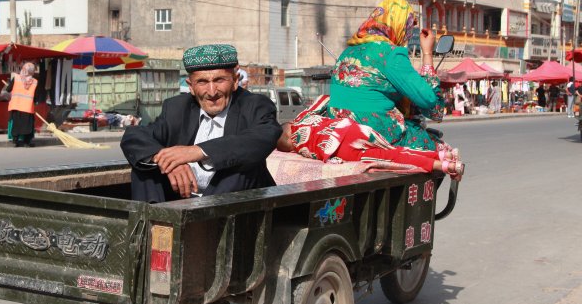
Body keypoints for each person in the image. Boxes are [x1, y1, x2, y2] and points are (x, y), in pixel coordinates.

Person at [121, 44, 281, 202]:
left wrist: (198, 151)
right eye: (202, 82)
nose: (212, 92)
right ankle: (156, 223)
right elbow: (135, 136)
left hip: (235, 207)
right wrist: (167, 160)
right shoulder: (176, 108)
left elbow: (263, 137)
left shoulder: (255, 105)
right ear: (190, 86)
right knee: (144, 165)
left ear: (235, 81)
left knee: (241, 166)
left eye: (219, 80)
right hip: (183, 199)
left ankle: (205, 226)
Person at [328, 0, 451, 154]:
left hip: (339, 129)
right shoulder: (390, 54)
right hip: (372, 131)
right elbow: (431, 104)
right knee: (440, 148)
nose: (408, 35)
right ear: (399, 26)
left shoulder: (348, 51)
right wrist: (427, 52)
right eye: (408, 29)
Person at [276, 95, 464, 180]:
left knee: (392, 158)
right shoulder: (302, 118)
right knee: (392, 148)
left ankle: (445, 165)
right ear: (290, 126)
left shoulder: (300, 148)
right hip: (350, 129)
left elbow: (319, 154)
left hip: (341, 149)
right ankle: (440, 155)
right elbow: (324, 98)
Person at [5, 62, 40, 148]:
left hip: (16, 105)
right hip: (27, 107)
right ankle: (26, 142)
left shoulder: (16, 78)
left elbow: (8, 89)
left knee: (16, 124)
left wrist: (10, 84)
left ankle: (15, 141)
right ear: (32, 71)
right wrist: (35, 102)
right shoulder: (35, 82)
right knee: (27, 125)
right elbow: (36, 96)